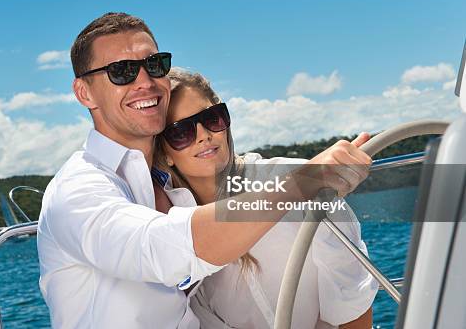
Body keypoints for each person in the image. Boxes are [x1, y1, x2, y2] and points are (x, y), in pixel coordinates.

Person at [37, 12, 373, 328]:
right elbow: (163, 247)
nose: (145, 81)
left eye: (154, 65)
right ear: (84, 92)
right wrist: (302, 183)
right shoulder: (78, 191)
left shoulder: (167, 190)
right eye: (121, 71)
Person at [153, 68, 378, 329]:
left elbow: (351, 293)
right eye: (181, 132)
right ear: (165, 153)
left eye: (211, 119)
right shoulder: (175, 229)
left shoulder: (303, 179)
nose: (204, 134)